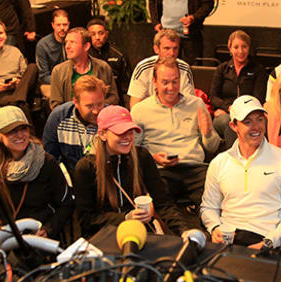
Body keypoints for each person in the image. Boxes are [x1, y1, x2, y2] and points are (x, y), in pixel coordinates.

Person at [200, 95, 281, 249]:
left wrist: (270, 242)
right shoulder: (219, 163)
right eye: (248, 122)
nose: (256, 127)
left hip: (265, 239)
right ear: (234, 126)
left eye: (260, 119)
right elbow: (208, 207)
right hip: (227, 237)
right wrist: (214, 228)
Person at [74, 105, 190, 237]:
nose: (128, 137)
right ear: (102, 134)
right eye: (120, 132)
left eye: (130, 131)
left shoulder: (142, 157)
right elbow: (86, 219)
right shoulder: (85, 168)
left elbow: (163, 203)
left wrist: (184, 231)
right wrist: (124, 218)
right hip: (104, 236)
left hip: (140, 232)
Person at [132, 57, 220, 206]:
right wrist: (153, 158)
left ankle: (211, 226)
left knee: (215, 201)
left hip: (194, 168)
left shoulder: (196, 104)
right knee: (160, 203)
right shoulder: (139, 110)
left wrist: (208, 133)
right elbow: (133, 150)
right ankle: (180, 228)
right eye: (165, 82)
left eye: (175, 81)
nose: (171, 87)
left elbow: (213, 147)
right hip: (160, 171)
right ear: (155, 82)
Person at [0, 105, 74, 239]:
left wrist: (48, 229)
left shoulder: (46, 162)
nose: (20, 135)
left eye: (23, 129)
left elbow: (66, 204)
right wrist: (5, 234)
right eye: (12, 131)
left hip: (40, 238)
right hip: (5, 239)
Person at [209, 30, 268, 149]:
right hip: (225, 114)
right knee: (226, 122)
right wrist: (228, 108)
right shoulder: (222, 69)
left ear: (249, 48)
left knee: (242, 125)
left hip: (249, 115)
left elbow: (258, 98)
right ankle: (234, 157)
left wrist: (239, 111)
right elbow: (213, 96)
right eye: (236, 47)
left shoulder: (258, 70)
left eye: (244, 47)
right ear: (230, 49)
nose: (240, 51)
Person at [42, 76, 106, 173]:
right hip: (69, 177)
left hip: (102, 176)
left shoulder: (112, 118)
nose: (96, 111)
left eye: (100, 104)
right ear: (76, 102)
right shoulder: (58, 117)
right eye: (89, 106)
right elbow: (50, 158)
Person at [48, 27, 119, 110]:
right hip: (70, 119)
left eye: (72, 42)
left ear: (86, 46)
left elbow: (114, 98)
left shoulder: (103, 67)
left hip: (100, 116)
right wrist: (80, 110)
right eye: (66, 42)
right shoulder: (58, 71)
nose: (67, 46)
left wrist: (97, 106)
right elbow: (55, 104)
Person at [127, 29, 194, 109]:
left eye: (175, 48)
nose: (172, 53)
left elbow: (188, 104)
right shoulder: (143, 68)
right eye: (167, 48)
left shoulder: (185, 69)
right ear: (156, 49)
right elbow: (135, 107)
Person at [148, 0, 213, 66]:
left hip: (191, 35)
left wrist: (194, 17)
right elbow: (153, 2)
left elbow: (208, 4)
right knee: (166, 67)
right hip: (165, 35)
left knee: (193, 70)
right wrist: (155, 21)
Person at [87, 16, 131, 106]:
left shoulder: (119, 55)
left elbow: (127, 87)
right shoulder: (85, 55)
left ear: (106, 34)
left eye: (101, 33)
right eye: (93, 34)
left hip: (115, 102)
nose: (97, 37)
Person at [35, 8, 70, 98]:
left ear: (69, 24)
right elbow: (44, 76)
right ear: (53, 25)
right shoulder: (43, 45)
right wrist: (64, 81)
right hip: (51, 83)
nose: (62, 28)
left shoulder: (73, 40)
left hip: (72, 81)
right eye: (58, 25)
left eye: (65, 24)